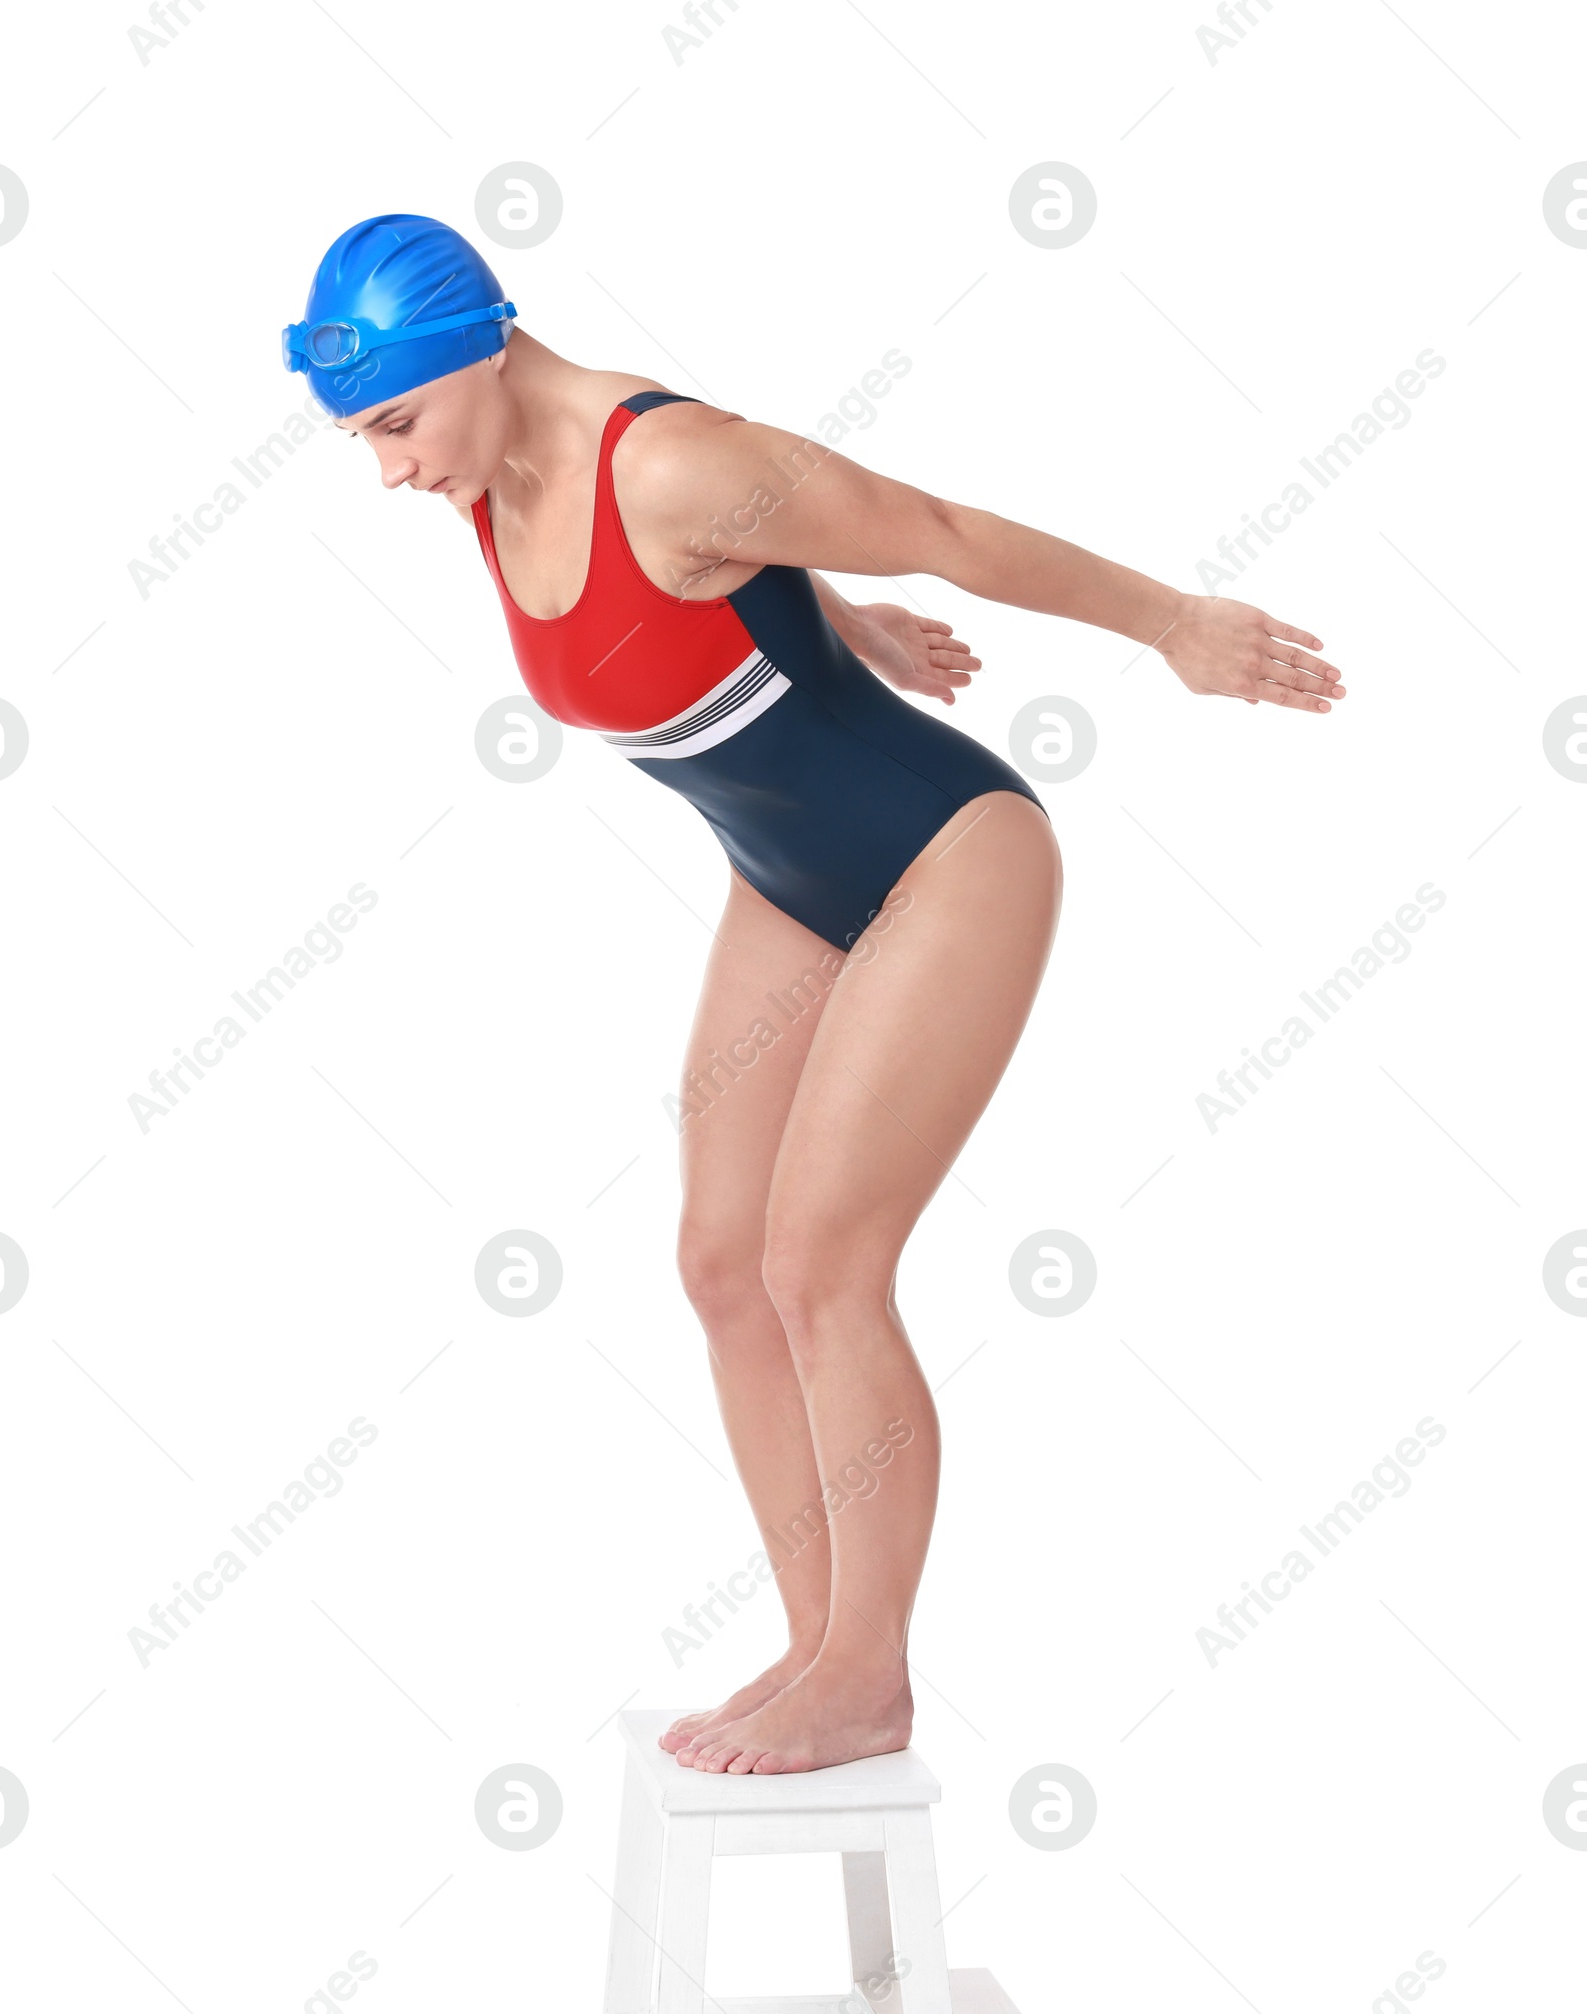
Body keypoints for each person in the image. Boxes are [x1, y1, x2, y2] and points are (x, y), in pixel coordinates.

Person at [283, 214, 1345, 1778]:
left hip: (947, 856)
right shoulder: (485, 468)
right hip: (788, 876)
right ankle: (810, 1645)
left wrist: (1176, 626)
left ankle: (871, 1675)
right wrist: (848, 630)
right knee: (723, 1263)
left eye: (395, 424)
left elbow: (931, 522)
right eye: (360, 438)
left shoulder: (670, 462)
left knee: (822, 1259)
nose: (387, 471)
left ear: (484, 348)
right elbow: (712, 596)